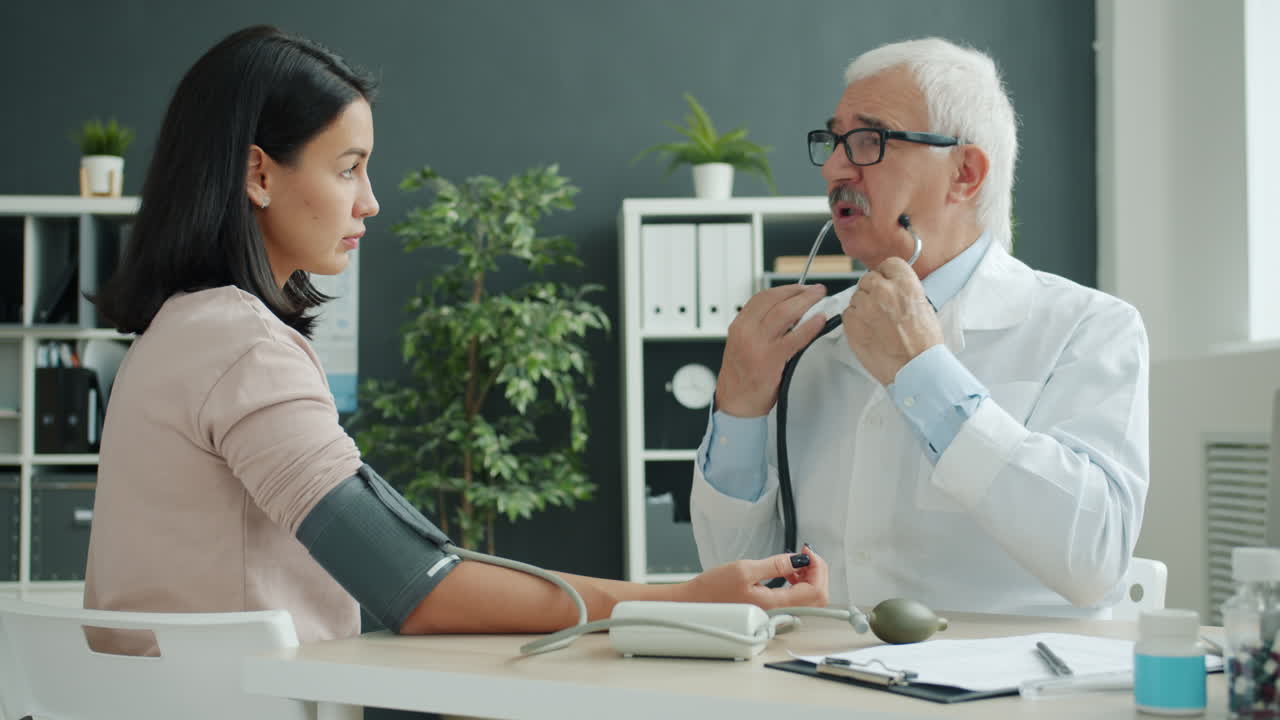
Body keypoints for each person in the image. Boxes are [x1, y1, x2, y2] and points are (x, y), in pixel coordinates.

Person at [83, 25, 828, 655]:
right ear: (258, 174)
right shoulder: (242, 346)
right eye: (349, 170)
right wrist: (681, 599)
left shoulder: (177, 331)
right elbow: (412, 586)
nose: (370, 202)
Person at [690, 37, 1148, 618]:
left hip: (1012, 697)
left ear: (964, 173)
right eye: (833, 141)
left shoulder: (1090, 327)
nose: (835, 166)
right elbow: (738, 577)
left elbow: (1097, 558)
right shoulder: (807, 343)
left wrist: (924, 374)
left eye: (868, 140)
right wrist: (739, 408)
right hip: (823, 688)